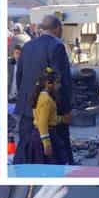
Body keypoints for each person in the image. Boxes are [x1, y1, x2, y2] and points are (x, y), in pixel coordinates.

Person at [14, 15, 73, 164]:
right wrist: (65, 110)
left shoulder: (27, 46)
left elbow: (20, 76)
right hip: (48, 108)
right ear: (58, 28)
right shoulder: (57, 46)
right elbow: (61, 80)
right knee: (55, 152)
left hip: (28, 107)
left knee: (26, 148)